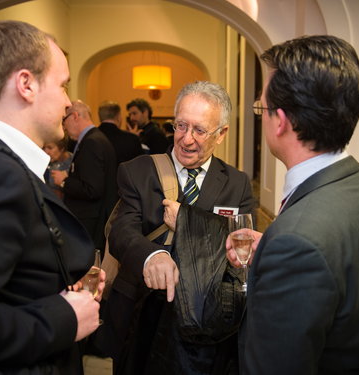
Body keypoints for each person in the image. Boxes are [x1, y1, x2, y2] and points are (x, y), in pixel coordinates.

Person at [225, 35, 359, 374]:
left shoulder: (295, 242)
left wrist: (284, 248)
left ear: (280, 121)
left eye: (261, 108)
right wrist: (273, 247)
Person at [0, 20, 105, 374]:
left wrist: (65, 280)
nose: (67, 102)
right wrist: (65, 316)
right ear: (26, 84)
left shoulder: (5, 166)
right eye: (62, 86)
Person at [104, 81, 256, 374]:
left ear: (221, 134)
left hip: (202, 323)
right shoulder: (137, 170)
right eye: (180, 126)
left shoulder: (236, 183)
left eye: (199, 130)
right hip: (141, 313)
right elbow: (123, 231)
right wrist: (152, 256)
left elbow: (242, 245)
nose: (186, 140)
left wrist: (186, 221)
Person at [52, 100, 118, 250]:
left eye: (64, 120)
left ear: (75, 116)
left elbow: (92, 189)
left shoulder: (92, 142)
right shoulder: (95, 138)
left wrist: (64, 181)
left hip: (90, 221)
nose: (64, 126)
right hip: (94, 218)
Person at [97, 100, 144, 166]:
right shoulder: (131, 139)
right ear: (118, 117)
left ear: (100, 118)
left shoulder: (90, 137)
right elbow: (141, 166)